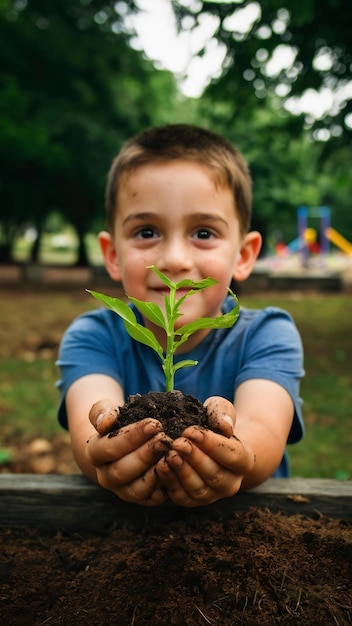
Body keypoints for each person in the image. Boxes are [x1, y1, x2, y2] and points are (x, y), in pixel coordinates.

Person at [57, 123, 304, 507]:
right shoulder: (95, 335)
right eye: (147, 231)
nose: (173, 260)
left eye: (203, 233)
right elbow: (91, 435)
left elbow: (261, 433)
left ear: (243, 255)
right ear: (112, 255)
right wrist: (107, 446)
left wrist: (238, 448)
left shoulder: (268, 335)